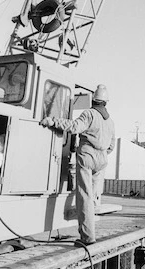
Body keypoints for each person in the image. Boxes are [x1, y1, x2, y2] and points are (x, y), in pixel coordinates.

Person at [40, 84, 116, 245]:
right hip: (102, 159)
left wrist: (52, 121)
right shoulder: (110, 121)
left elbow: (74, 127)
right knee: (94, 198)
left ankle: (88, 238)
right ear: (106, 102)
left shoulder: (89, 113)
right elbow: (111, 146)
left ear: (93, 100)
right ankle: (86, 221)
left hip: (87, 156)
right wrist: (100, 153)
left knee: (84, 197)